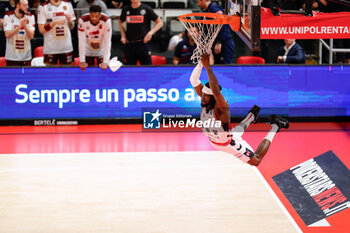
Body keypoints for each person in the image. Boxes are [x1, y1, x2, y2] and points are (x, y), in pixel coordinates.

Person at [190, 53, 289, 166]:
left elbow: (216, 91)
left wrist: (208, 67)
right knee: (235, 132)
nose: (201, 97)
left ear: (213, 97)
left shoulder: (222, 108)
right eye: (202, 95)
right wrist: (200, 64)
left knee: (256, 160)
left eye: (205, 95)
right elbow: (194, 80)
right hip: (214, 141)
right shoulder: (205, 102)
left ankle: (276, 125)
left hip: (228, 144)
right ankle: (252, 116)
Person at [118, 0, 163, 65]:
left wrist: (150, 33)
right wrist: (123, 35)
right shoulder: (125, 9)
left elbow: (160, 22)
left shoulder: (147, 9)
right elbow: (120, 21)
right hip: (130, 44)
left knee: (147, 69)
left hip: (143, 44)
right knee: (130, 70)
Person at [37, 0, 76, 65]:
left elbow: (72, 27)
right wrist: (54, 23)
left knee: (66, 74)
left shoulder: (68, 4)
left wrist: (69, 21)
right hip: (51, 49)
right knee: (50, 74)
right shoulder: (43, 7)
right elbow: (41, 30)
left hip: (66, 48)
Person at [78, 5, 111, 71]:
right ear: (89, 14)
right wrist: (82, 60)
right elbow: (81, 41)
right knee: (87, 73)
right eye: (92, 16)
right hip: (88, 51)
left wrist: (105, 61)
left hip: (101, 51)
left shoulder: (106, 21)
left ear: (100, 15)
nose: (94, 18)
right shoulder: (82, 20)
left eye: (96, 16)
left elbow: (107, 41)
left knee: (103, 73)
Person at [3, 0, 34, 66]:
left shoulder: (30, 17)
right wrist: (20, 26)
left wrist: (25, 26)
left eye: (27, 4)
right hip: (12, 57)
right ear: (18, 6)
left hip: (26, 57)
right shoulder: (8, 16)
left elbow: (31, 36)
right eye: (24, 5)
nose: (27, 7)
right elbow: (7, 34)